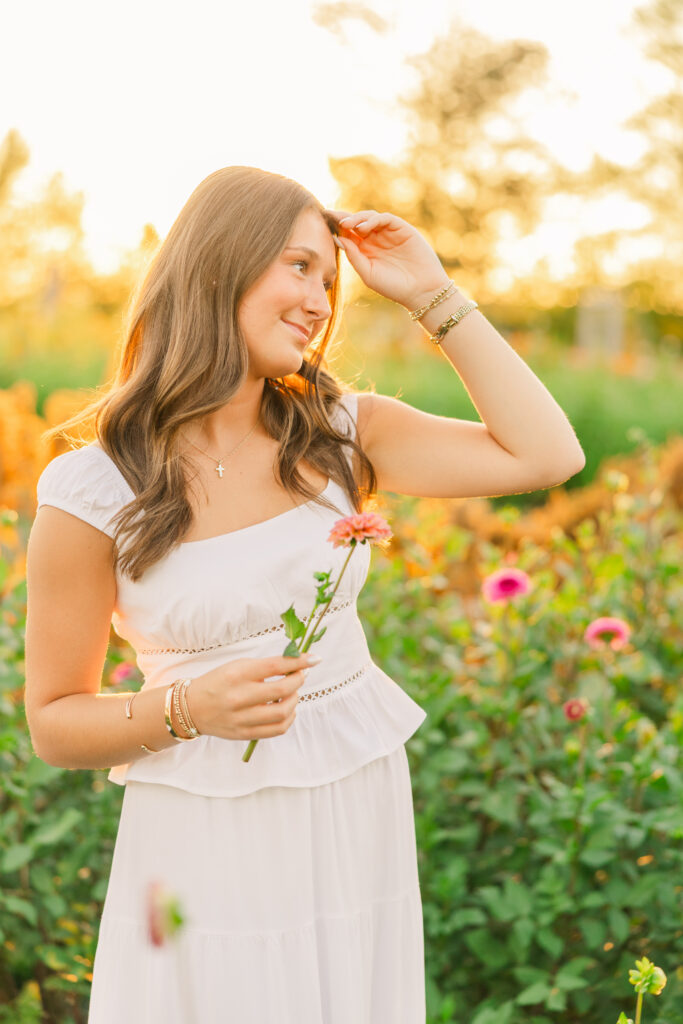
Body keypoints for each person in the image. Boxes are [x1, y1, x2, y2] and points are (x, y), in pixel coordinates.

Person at [23, 165, 585, 1023]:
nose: (321, 299)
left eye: (328, 279)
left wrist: (430, 293)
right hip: (200, 832)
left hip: (352, 802)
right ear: (218, 266)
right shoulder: (91, 487)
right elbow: (55, 722)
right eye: (296, 267)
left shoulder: (340, 434)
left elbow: (546, 457)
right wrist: (186, 709)